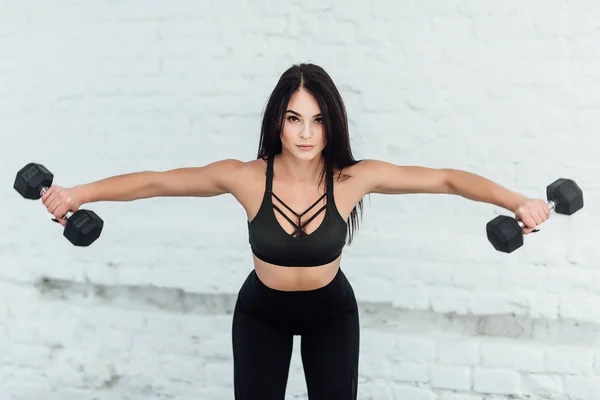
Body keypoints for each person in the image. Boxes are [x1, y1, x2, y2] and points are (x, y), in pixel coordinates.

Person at [41, 63, 550, 399]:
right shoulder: (245, 177)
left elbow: (445, 178)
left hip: (332, 312)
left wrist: (518, 202)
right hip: (262, 312)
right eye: (294, 119)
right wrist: (78, 194)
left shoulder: (352, 180)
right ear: (278, 122)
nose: (306, 133)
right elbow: (156, 182)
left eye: (317, 120)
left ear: (332, 125)